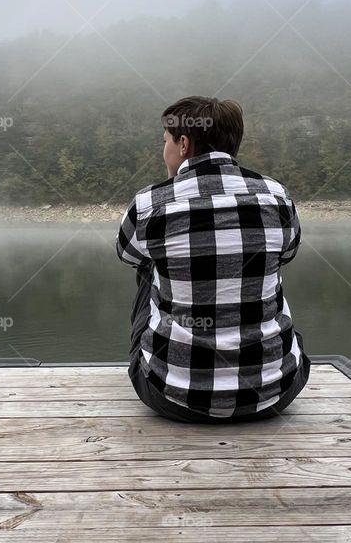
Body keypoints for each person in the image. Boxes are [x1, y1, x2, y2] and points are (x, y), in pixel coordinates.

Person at [116, 95, 310, 423]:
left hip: (170, 396)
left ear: (183, 143)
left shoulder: (150, 203)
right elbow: (289, 252)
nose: (163, 150)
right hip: (276, 394)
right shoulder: (277, 197)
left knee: (149, 265)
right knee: (268, 264)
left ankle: (174, 363)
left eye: (164, 141)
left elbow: (127, 253)